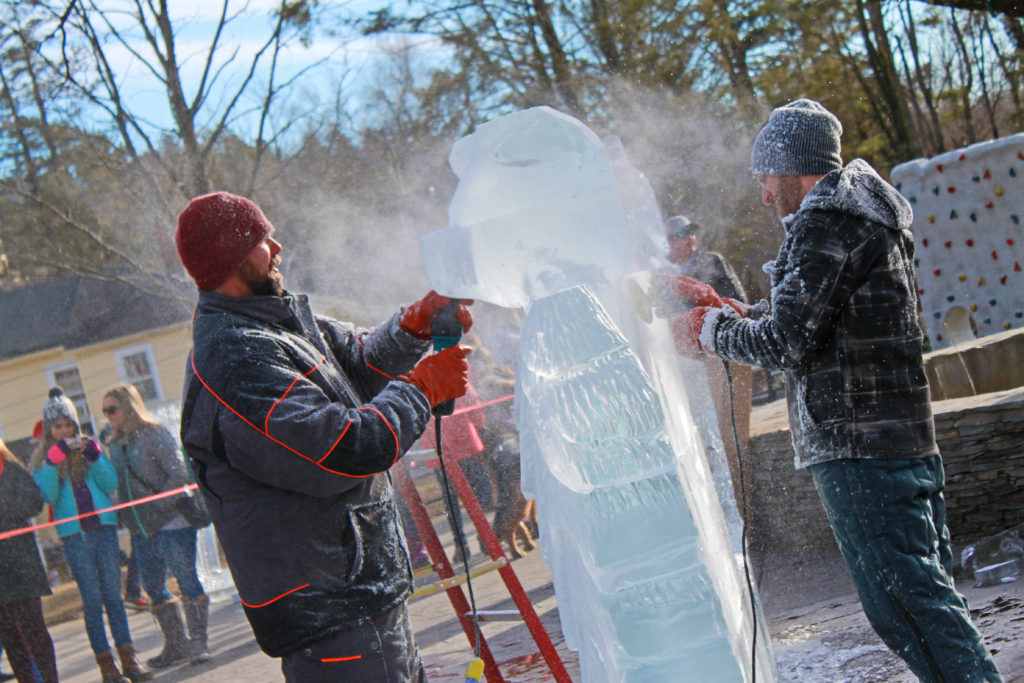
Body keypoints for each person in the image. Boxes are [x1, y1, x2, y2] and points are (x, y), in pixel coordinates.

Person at [667, 98, 1002, 682]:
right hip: (890, 439)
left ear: (798, 169)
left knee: (912, 606)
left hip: (862, 447)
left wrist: (709, 331)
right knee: (917, 600)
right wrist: (733, 310)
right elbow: (811, 318)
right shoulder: (856, 215)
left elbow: (785, 343)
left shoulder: (829, 220)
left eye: (768, 178)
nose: (765, 195)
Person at [174, 191, 472, 682]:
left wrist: (412, 328)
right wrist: (422, 388)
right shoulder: (234, 358)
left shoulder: (271, 322)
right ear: (232, 256)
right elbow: (341, 451)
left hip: (356, 589)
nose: (278, 246)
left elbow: (353, 364)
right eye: (262, 239)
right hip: (328, 608)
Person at [32, 389, 151, 683]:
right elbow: (46, 495)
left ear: (76, 425)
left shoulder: (89, 447)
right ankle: (107, 666)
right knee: (92, 600)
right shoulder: (42, 459)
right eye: (57, 426)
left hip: (104, 530)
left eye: (68, 425)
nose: (64, 431)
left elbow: (110, 483)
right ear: (50, 429)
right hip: (75, 537)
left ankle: (129, 660)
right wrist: (51, 463)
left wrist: (95, 457)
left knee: (113, 595)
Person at [102, 384, 209, 668]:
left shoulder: (155, 433)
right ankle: (177, 644)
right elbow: (118, 487)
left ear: (127, 406)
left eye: (111, 409)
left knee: (187, 580)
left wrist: (156, 507)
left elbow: (178, 473)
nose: (108, 416)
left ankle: (199, 642)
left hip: (172, 523)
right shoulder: (114, 444)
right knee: (152, 586)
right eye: (105, 411)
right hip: (140, 528)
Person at [659, 215, 754, 510]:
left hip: (717, 359)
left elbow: (736, 303)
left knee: (728, 439)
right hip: (684, 368)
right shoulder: (661, 275)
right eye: (680, 234)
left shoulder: (711, 261)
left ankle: (741, 505)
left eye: (690, 232)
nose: (688, 238)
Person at [0, 437, 58, 683]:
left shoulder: (13, 470)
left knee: (35, 631)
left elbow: (34, 503)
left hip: (22, 564)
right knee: (10, 637)